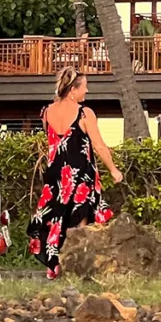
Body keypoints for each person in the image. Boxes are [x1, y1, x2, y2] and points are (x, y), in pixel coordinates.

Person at [27, 68, 123, 280]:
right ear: (72, 90)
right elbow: (98, 145)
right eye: (84, 86)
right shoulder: (84, 113)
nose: (87, 90)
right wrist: (114, 170)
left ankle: (55, 266)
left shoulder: (46, 112)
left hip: (55, 175)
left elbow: (54, 143)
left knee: (56, 217)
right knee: (81, 219)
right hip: (79, 174)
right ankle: (78, 265)